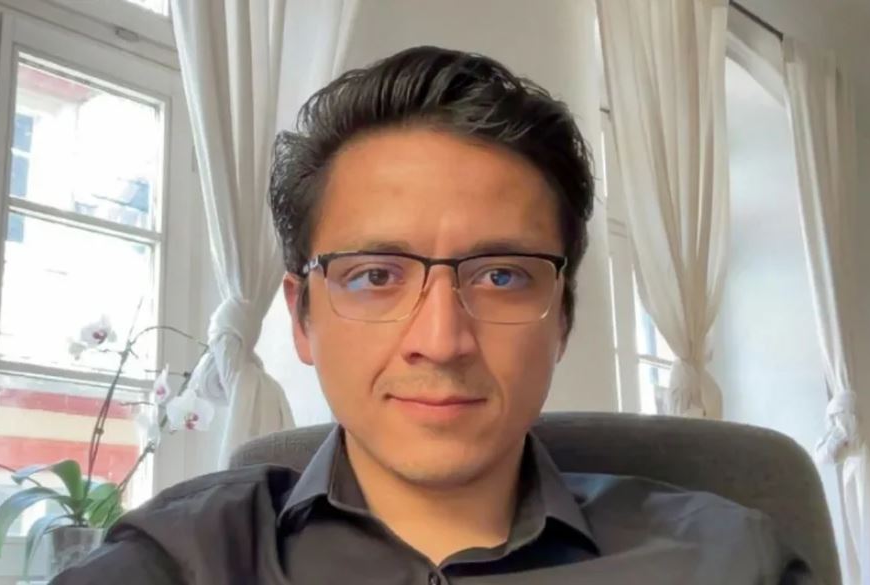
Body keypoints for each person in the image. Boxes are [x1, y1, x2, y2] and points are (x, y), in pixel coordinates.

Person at [53, 46, 814, 584]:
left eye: (502, 275)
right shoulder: (181, 559)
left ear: (562, 319)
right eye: (376, 275)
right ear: (302, 318)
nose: (442, 341)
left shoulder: (727, 560)